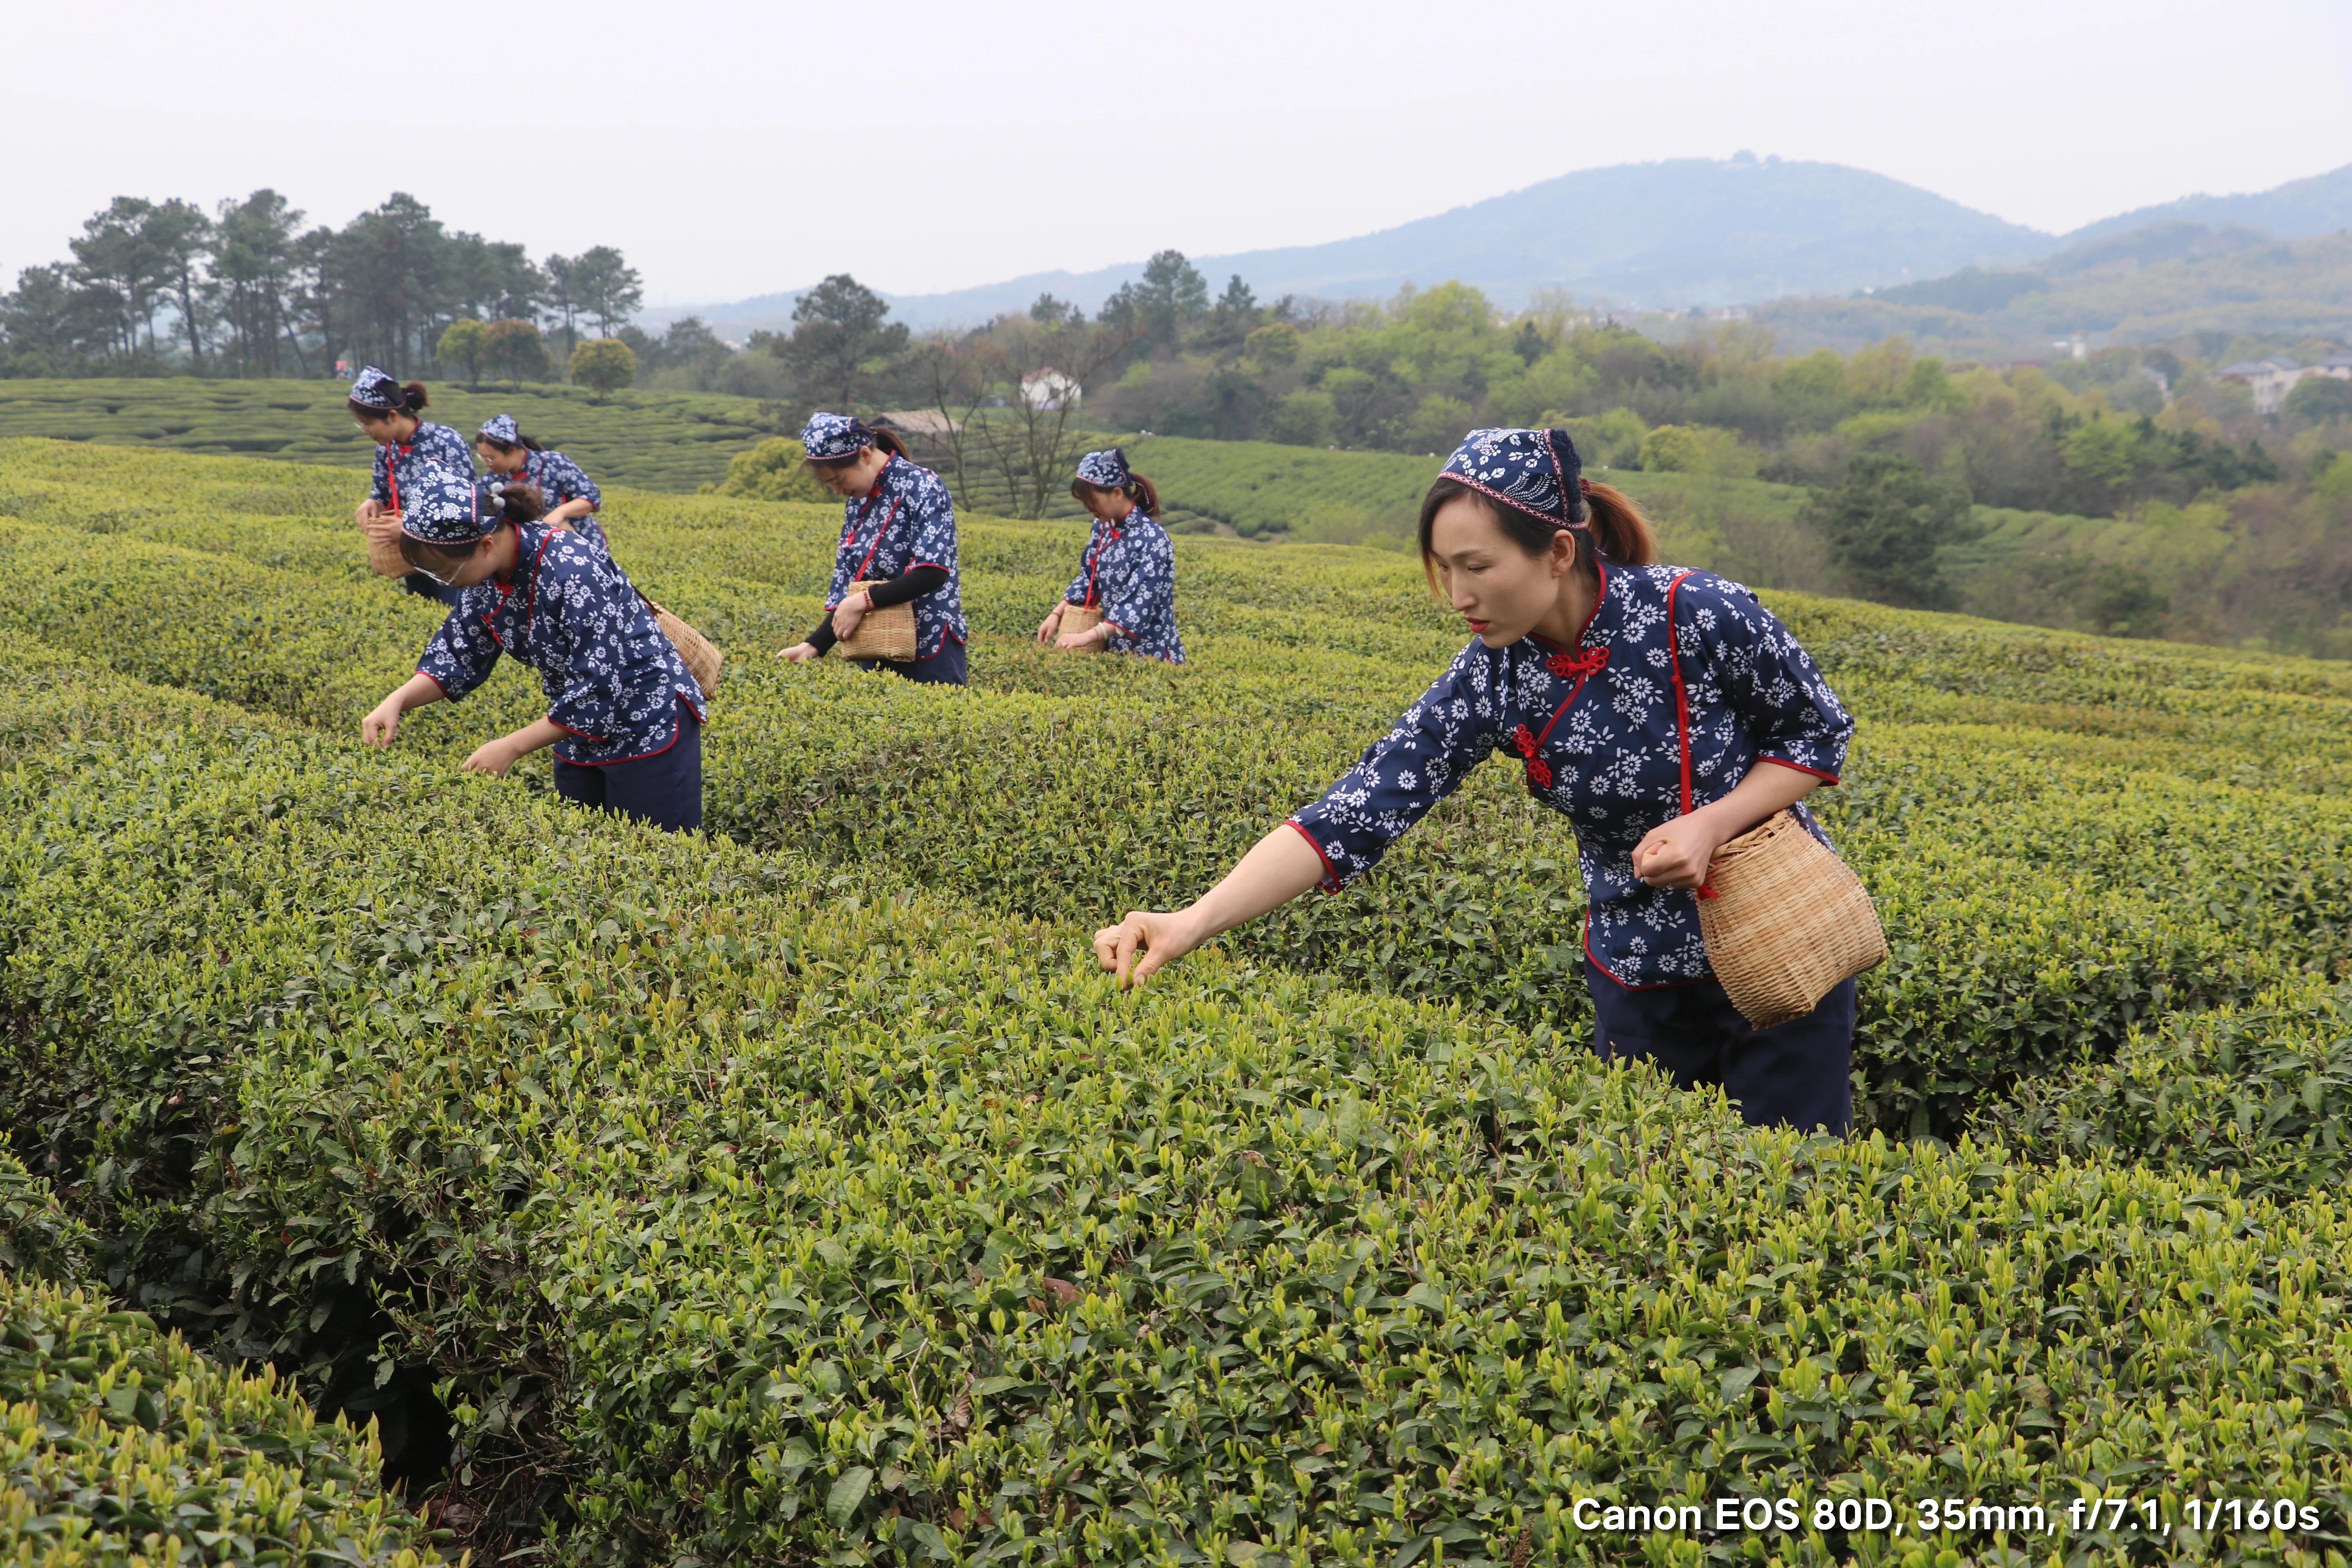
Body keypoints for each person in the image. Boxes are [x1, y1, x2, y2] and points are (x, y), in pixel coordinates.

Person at [1092, 427, 1860, 1134]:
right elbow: (1354, 810)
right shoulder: (1493, 675)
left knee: (1790, 1190)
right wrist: (1193, 920)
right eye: (1444, 568)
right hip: (1637, 975)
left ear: (1558, 552)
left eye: (1477, 567)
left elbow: (1817, 729)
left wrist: (1712, 822)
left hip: (1779, 943)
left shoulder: (1693, 611)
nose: (1457, 595)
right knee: (1660, 1204)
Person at [359, 462, 706, 832]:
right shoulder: (485, 578)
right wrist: (397, 700)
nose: (449, 584)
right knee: (589, 850)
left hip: (646, 717)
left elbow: (600, 684)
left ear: (486, 544)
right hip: (575, 727)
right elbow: (459, 653)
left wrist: (510, 746)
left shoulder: (572, 568)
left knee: (656, 852)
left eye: (447, 573)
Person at [777, 413, 968, 685]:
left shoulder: (923, 486)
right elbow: (850, 586)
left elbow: (932, 571)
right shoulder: (858, 500)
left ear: (865, 455)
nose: (837, 490)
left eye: (838, 479)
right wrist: (813, 646)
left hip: (929, 643)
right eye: (828, 483)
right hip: (876, 642)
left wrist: (864, 602)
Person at [1034, 448, 1185, 662]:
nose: (1089, 509)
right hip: (1116, 653)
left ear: (1116, 493)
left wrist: (1085, 637)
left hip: (1154, 658)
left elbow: (1136, 606)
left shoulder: (1153, 540)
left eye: (1093, 501)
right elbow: (1089, 578)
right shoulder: (1103, 527)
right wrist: (1056, 615)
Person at [347, 367, 475, 607]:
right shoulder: (386, 449)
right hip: (412, 560)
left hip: (448, 560)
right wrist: (372, 503)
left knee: (451, 618)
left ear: (393, 416)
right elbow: (381, 492)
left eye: (368, 424)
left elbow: (466, 508)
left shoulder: (446, 442)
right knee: (422, 615)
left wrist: (410, 527)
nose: (365, 431)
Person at [475, 414, 608, 553]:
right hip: (534, 554)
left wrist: (560, 513)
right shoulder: (492, 480)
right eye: (482, 458)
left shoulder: (553, 463)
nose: (486, 464)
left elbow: (591, 496)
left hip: (579, 545)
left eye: (490, 459)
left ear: (511, 450)